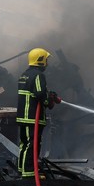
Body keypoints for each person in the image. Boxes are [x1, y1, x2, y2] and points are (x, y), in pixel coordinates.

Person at [16, 48, 60, 178]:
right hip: (32, 117)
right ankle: (29, 174)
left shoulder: (24, 74)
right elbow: (40, 93)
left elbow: (34, 91)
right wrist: (48, 101)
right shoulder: (38, 75)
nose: (47, 63)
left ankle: (22, 169)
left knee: (24, 143)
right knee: (32, 144)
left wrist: (49, 94)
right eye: (46, 60)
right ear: (40, 60)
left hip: (23, 116)